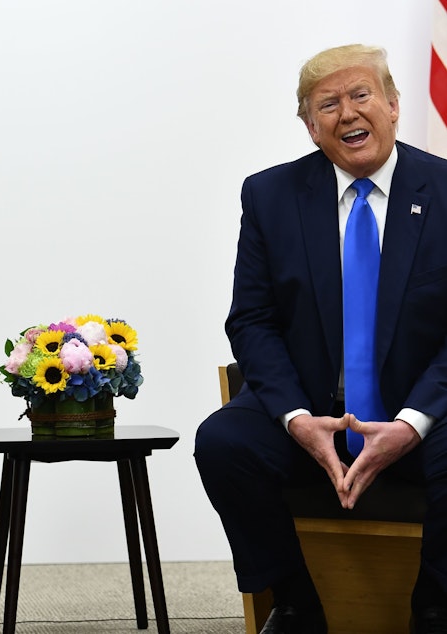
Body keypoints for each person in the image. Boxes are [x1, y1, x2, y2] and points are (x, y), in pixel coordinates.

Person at [195, 44, 447, 634]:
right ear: (310, 127)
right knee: (224, 441)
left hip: (424, 411)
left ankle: (435, 606)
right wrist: (295, 418)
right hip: (315, 410)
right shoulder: (269, 196)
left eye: (361, 95)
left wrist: (413, 421)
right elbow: (251, 320)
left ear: (393, 104)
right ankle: (293, 603)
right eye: (326, 104)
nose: (346, 113)